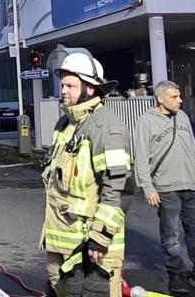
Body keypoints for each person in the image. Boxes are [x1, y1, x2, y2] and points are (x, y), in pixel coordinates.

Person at [40, 50, 129, 297]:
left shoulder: (106, 127)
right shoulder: (64, 125)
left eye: (70, 85)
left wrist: (99, 237)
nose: (63, 91)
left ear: (90, 88)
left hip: (91, 248)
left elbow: (118, 189)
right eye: (62, 85)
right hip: (61, 242)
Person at [135, 80, 195, 294]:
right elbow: (141, 157)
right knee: (171, 237)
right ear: (160, 98)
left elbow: (193, 148)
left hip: (191, 185)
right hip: (166, 187)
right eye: (174, 97)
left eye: (179, 96)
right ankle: (176, 276)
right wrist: (148, 187)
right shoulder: (146, 121)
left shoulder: (183, 117)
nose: (180, 100)